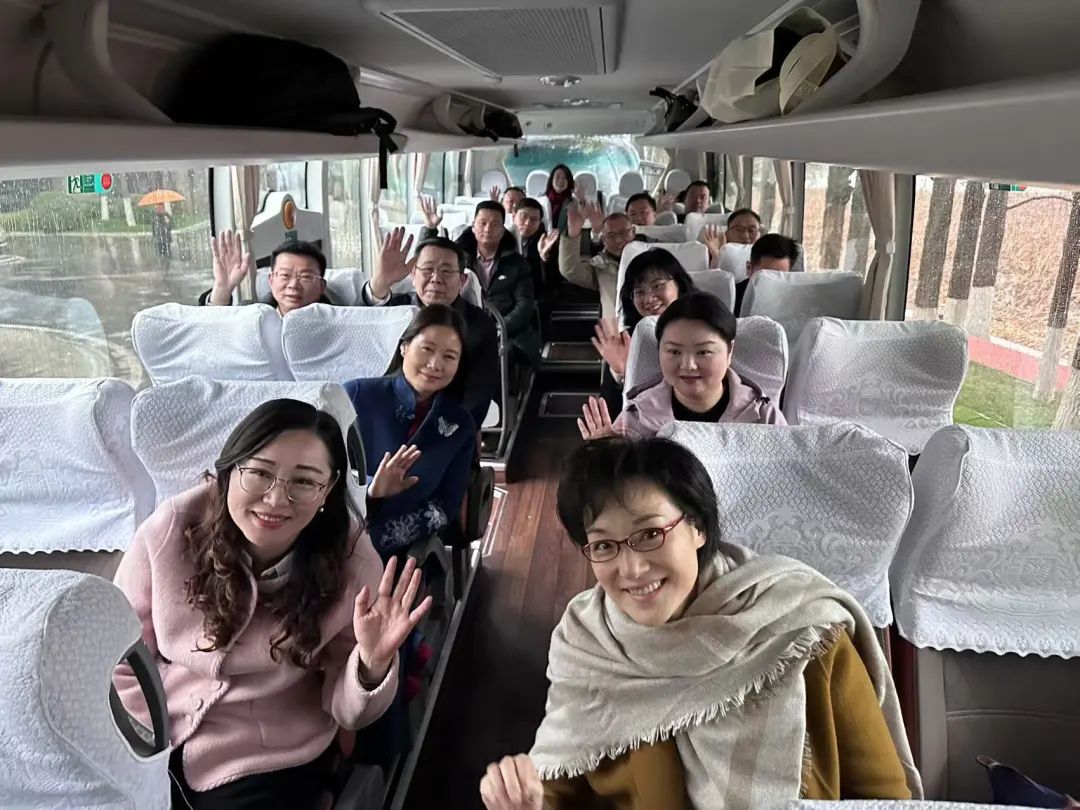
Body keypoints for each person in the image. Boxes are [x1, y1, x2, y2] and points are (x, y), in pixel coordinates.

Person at [479, 437, 921, 808]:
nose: (631, 569)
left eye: (650, 534)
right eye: (604, 546)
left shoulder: (799, 629)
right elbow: (563, 785)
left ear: (698, 527)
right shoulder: (586, 641)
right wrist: (529, 801)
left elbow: (883, 797)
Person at [113, 399, 431, 809]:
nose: (276, 499)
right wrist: (141, 741)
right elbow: (120, 654)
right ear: (230, 470)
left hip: (269, 754)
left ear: (328, 490)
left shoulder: (353, 562)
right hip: (156, 728)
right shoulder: (170, 529)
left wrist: (371, 666)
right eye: (260, 473)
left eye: (304, 481)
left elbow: (348, 712)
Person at [343, 305, 477, 558]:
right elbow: (324, 471)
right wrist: (372, 490)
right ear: (404, 347)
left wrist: (378, 539)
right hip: (335, 534)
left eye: (449, 356)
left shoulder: (460, 424)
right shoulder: (355, 395)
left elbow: (445, 507)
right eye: (427, 349)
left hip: (400, 551)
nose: (435, 364)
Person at [580, 291, 785, 440]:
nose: (688, 365)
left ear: (729, 351)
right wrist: (606, 456)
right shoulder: (637, 417)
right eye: (674, 352)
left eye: (703, 352)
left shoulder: (762, 414)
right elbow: (616, 482)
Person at [361, 229, 499, 430]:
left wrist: (446, 436)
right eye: (427, 269)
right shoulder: (395, 311)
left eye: (446, 271)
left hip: (446, 426)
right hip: (384, 422)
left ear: (462, 281)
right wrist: (380, 284)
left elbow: (477, 396)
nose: (435, 278)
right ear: (413, 275)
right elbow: (363, 335)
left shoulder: (479, 324)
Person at [419, 197, 541, 369]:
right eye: (482, 223)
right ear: (473, 227)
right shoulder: (458, 259)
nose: (487, 229)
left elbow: (525, 304)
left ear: (502, 230)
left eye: (495, 224)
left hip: (507, 333)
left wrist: (499, 327)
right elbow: (425, 260)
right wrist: (430, 229)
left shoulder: (517, 263)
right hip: (463, 327)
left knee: (501, 356)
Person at [591, 249, 696, 421]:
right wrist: (622, 372)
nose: (649, 299)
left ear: (679, 284)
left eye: (658, 286)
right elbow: (614, 411)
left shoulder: (702, 330)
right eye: (639, 292)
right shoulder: (627, 340)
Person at [199, 230, 333, 315]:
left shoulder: (339, 323)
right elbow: (214, 336)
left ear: (322, 286)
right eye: (285, 275)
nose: (293, 285)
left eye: (305, 277)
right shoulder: (249, 315)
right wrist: (222, 288)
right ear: (271, 280)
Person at [558, 206, 637, 322]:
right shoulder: (600, 266)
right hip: (615, 328)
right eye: (611, 235)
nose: (618, 240)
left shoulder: (650, 258)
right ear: (603, 240)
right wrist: (573, 234)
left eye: (623, 233)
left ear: (633, 232)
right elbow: (570, 270)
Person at [737, 232, 800, 315]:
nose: (774, 281)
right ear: (749, 268)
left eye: (781, 275)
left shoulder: (796, 300)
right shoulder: (732, 297)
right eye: (767, 275)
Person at [545, 164, 575, 233]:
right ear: (552, 179)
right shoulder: (542, 200)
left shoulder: (573, 203)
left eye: (565, 178)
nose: (561, 180)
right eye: (557, 176)